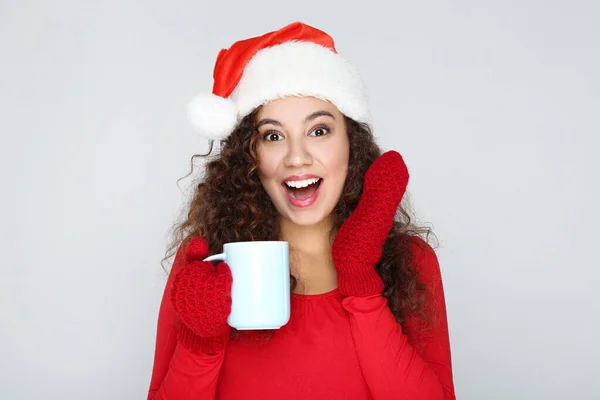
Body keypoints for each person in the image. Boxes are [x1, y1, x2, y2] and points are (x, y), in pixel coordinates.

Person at [147, 22, 456, 399]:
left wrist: (360, 279)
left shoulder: (411, 261)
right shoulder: (206, 266)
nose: (297, 157)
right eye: (273, 136)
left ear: (351, 144)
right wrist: (200, 343)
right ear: (249, 156)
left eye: (319, 130)